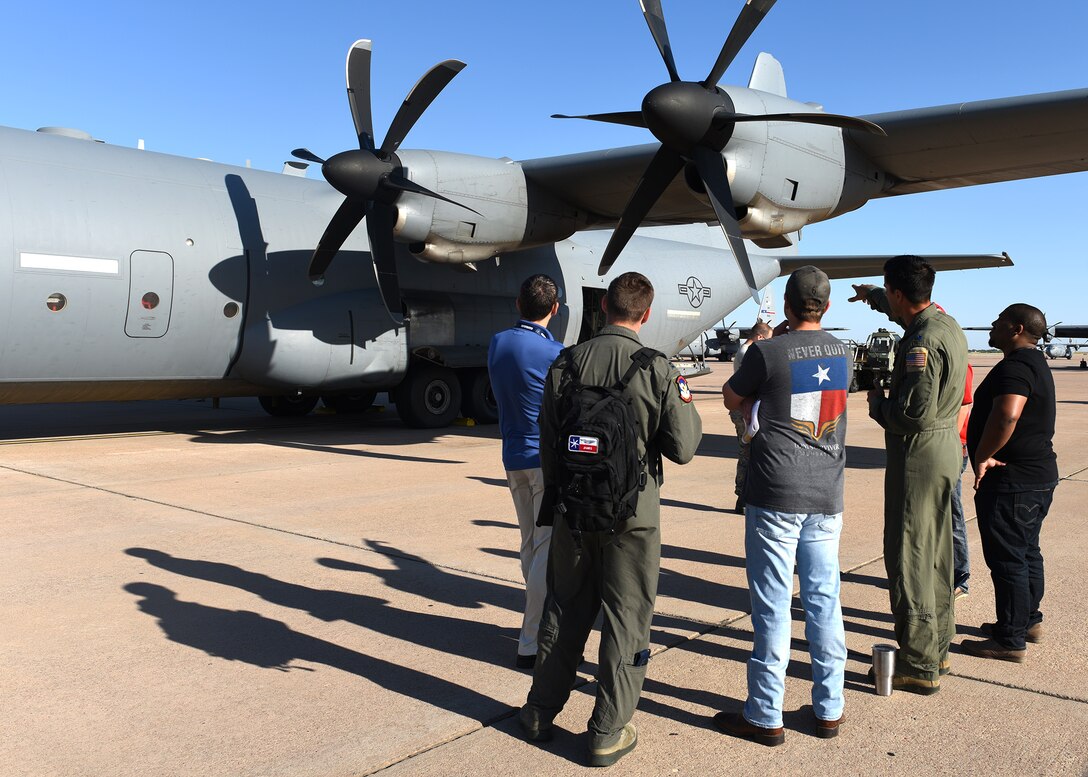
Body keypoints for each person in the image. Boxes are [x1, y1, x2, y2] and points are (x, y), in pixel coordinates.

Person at [518, 272, 702, 767]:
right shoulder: (657, 368)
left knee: (563, 610)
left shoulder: (567, 362)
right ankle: (606, 731)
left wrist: (559, 503)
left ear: (601, 306)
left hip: (571, 514)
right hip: (631, 521)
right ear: (645, 313)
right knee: (626, 620)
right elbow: (684, 448)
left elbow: (549, 443)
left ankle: (539, 712)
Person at [714, 267, 850, 745]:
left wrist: (757, 350)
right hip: (826, 494)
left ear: (788, 305)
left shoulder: (768, 352)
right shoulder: (842, 351)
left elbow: (732, 397)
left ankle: (764, 714)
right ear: (826, 307)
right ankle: (829, 708)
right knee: (824, 602)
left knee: (772, 608)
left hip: (775, 493)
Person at [848, 255, 967, 694]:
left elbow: (912, 415)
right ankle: (937, 648)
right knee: (935, 550)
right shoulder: (943, 324)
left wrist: (877, 403)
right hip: (943, 448)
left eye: (888, 292)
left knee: (908, 553)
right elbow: (902, 309)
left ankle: (918, 663)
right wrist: (872, 297)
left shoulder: (922, 343)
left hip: (918, 451)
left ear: (901, 293)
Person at [961, 304, 1057, 662]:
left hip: (1013, 481)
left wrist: (983, 455)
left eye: (999, 321)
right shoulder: (1034, 362)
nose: (992, 324)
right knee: (1027, 551)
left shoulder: (1015, 367)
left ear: (1015, 328)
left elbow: (1008, 413)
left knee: (1008, 559)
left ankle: (1010, 639)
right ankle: (1028, 621)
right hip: (1037, 477)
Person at [487, 274, 564, 670]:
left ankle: (534, 621)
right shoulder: (555, 353)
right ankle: (531, 638)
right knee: (545, 548)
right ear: (554, 309)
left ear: (519, 305)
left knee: (529, 543)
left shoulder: (498, 342)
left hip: (512, 456)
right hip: (542, 460)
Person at [729, 320, 773, 513]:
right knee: (746, 453)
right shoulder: (748, 354)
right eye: (768, 340)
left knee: (748, 452)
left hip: (744, 408)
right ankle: (742, 498)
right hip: (744, 410)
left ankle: (744, 497)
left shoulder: (744, 351)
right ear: (760, 337)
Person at [952, 363, 975, 600]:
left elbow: (964, 405)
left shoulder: (961, 363)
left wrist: (951, 446)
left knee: (951, 514)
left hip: (952, 449)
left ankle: (960, 579)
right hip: (933, 450)